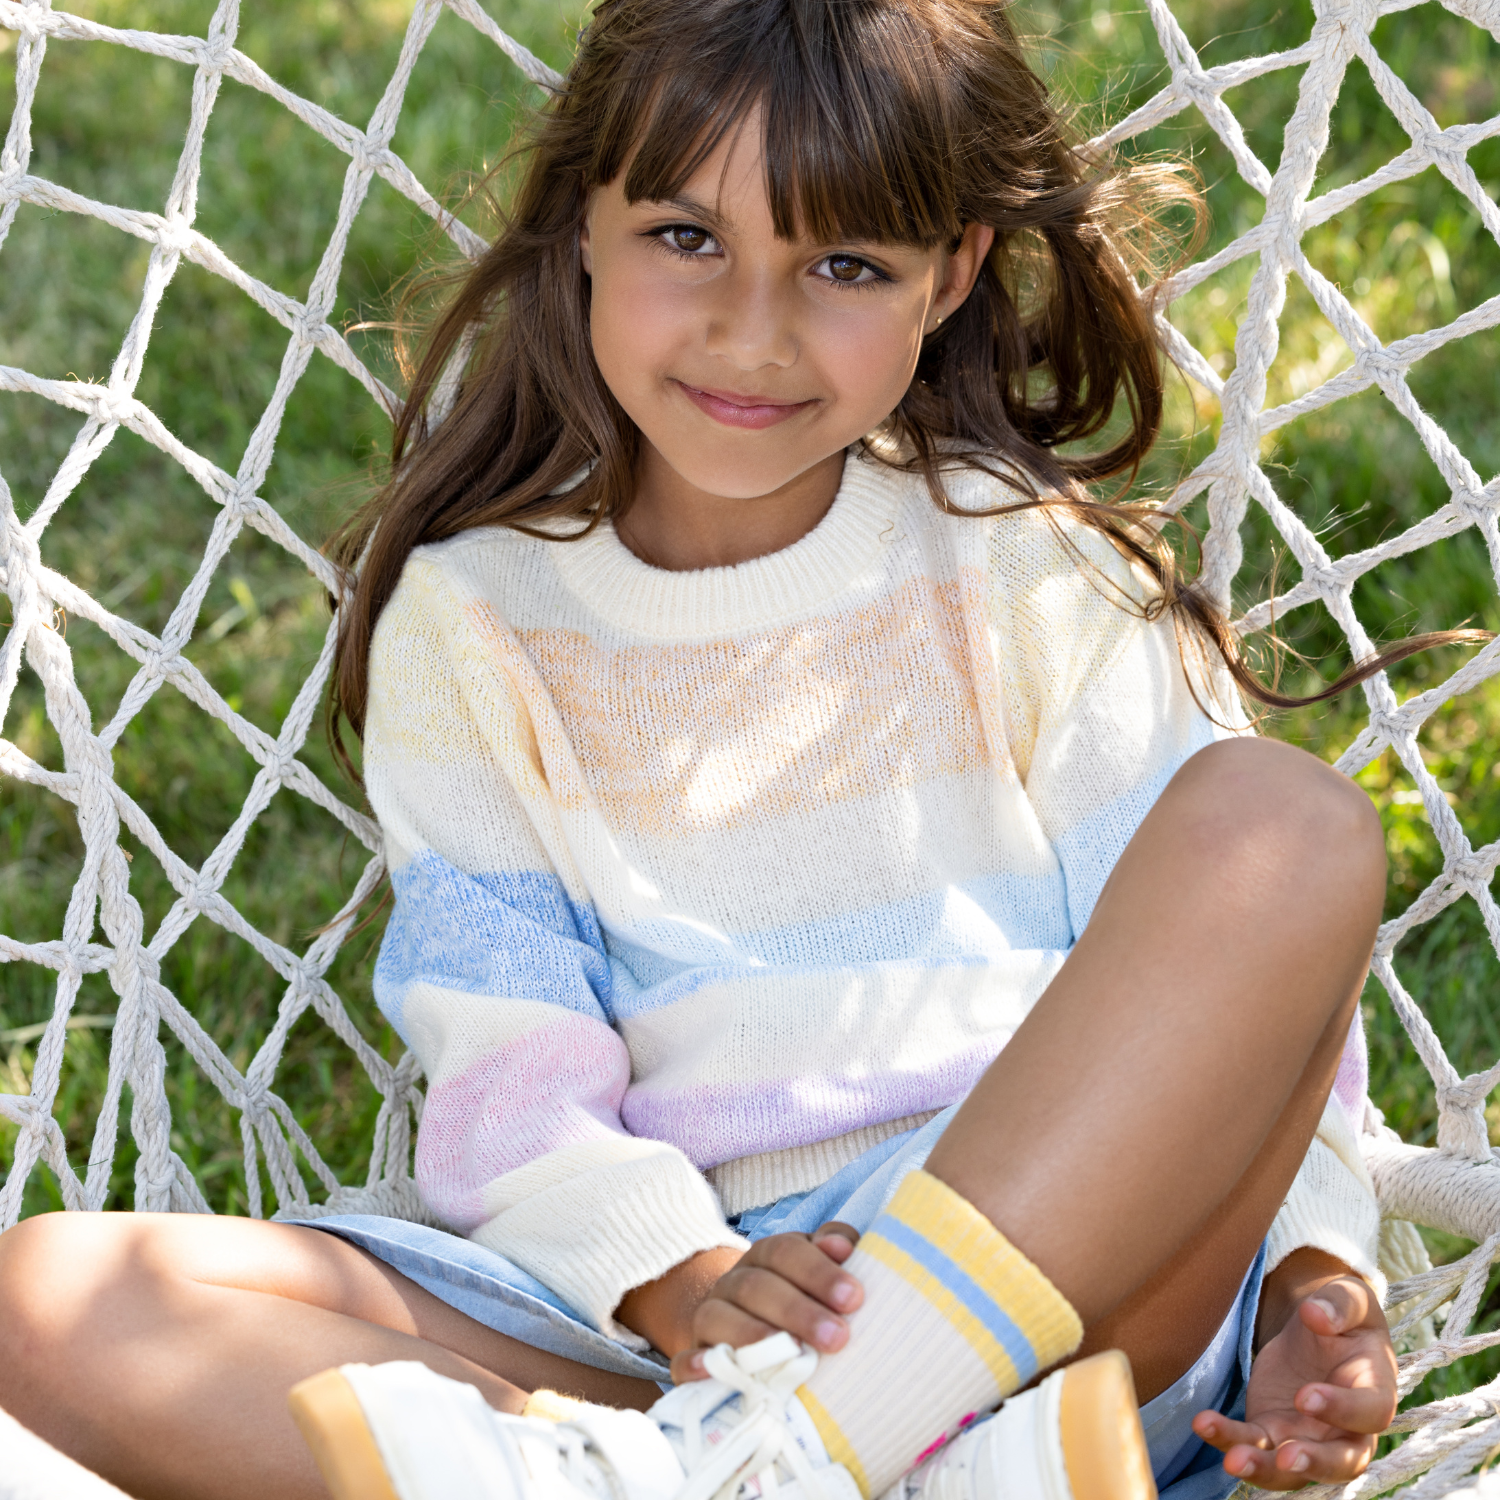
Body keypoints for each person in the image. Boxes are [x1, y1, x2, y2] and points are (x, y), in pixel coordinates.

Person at [8, 0, 1452, 1496]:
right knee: (48, 1296)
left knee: (1287, 827)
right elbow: (511, 1069)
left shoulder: (1022, 567)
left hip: (1066, 1287)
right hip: (685, 1327)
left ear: (952, 272)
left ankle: (784, 1456)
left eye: (845, 266)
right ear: (584, 221)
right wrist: (684, 1282)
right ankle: (760, 1465)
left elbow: (1241, 1024)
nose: (752, 332)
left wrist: (1310, 1285)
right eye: (686, 239)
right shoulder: (476, 620)